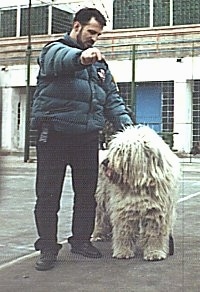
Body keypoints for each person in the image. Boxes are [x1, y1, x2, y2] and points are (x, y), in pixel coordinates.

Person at [31, 7, 133, 271]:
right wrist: (82, 57)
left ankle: (81, 240)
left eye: (98, 34)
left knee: (87, 194)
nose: (94, 39)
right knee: (48, 194)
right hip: (54, 134)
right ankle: (47, 247)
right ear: (76, 26)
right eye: (91, 32)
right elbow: (61, 60)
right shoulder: (53, 50)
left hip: (87, 136)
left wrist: (132, 132)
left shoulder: (100, 66)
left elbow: (112, 100)